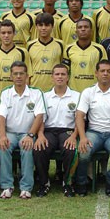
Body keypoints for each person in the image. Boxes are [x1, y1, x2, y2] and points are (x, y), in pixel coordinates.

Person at [75, 60, 110, 196]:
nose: (105, 74)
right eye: (102, 71)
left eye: (108, 71)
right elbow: (80, 116)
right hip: (94, 133)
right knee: (83, 152)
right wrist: (83, 137)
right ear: (96, 73)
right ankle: (81, 183)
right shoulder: (88, 92)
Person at [0, 61, 45, 200]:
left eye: (21, 73)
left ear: (27, 76)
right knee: (3, 146)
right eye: (15, 74)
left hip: (27, 133)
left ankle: (26, 187)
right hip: (10, 133)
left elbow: (39, 116)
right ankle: (7, 186)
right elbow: (1, 117)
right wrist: (2, 136)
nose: (18, 76)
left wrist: (31, 135)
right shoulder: (5, 93)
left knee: (27, 147)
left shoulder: (36, 93)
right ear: (11, 76)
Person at [33, 64, 80, 197]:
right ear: (52, 77)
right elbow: (40, 118)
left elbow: (79, 119)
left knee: (71, 149)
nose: (60, 77)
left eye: (63, 74)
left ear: (68, 77)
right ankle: (44, 183)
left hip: (68, 131)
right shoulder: (44, 96)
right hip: (48, 130)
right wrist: (40, 135)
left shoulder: (76, 96)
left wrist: (74, 136)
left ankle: (68, 183)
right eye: (57, 74)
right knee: (39, 149)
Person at [62, 18, 107, 92]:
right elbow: (64, 72)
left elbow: (104, 72)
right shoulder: (69, 48)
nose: (83, 29)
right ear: (76, 31)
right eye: (80, 27)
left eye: (86, 27)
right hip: (73, 91)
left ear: (91, 31)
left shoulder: (99, 49)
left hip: (94, 92)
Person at [0, 20, 32, 91]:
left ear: (14, 34)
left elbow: (27, 77)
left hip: (16, 95)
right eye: (3, 33)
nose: (6, 36)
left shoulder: (22, 53)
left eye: (9, 33)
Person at [27, 13, 65, 92]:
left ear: (52, 26)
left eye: (47, 25)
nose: (43, 28)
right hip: (34, 89)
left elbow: (64, 67)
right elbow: (27, 70)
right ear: (36, 27)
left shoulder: (61, 44)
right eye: (41, 25)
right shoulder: (29, 45)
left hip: (54, 90)